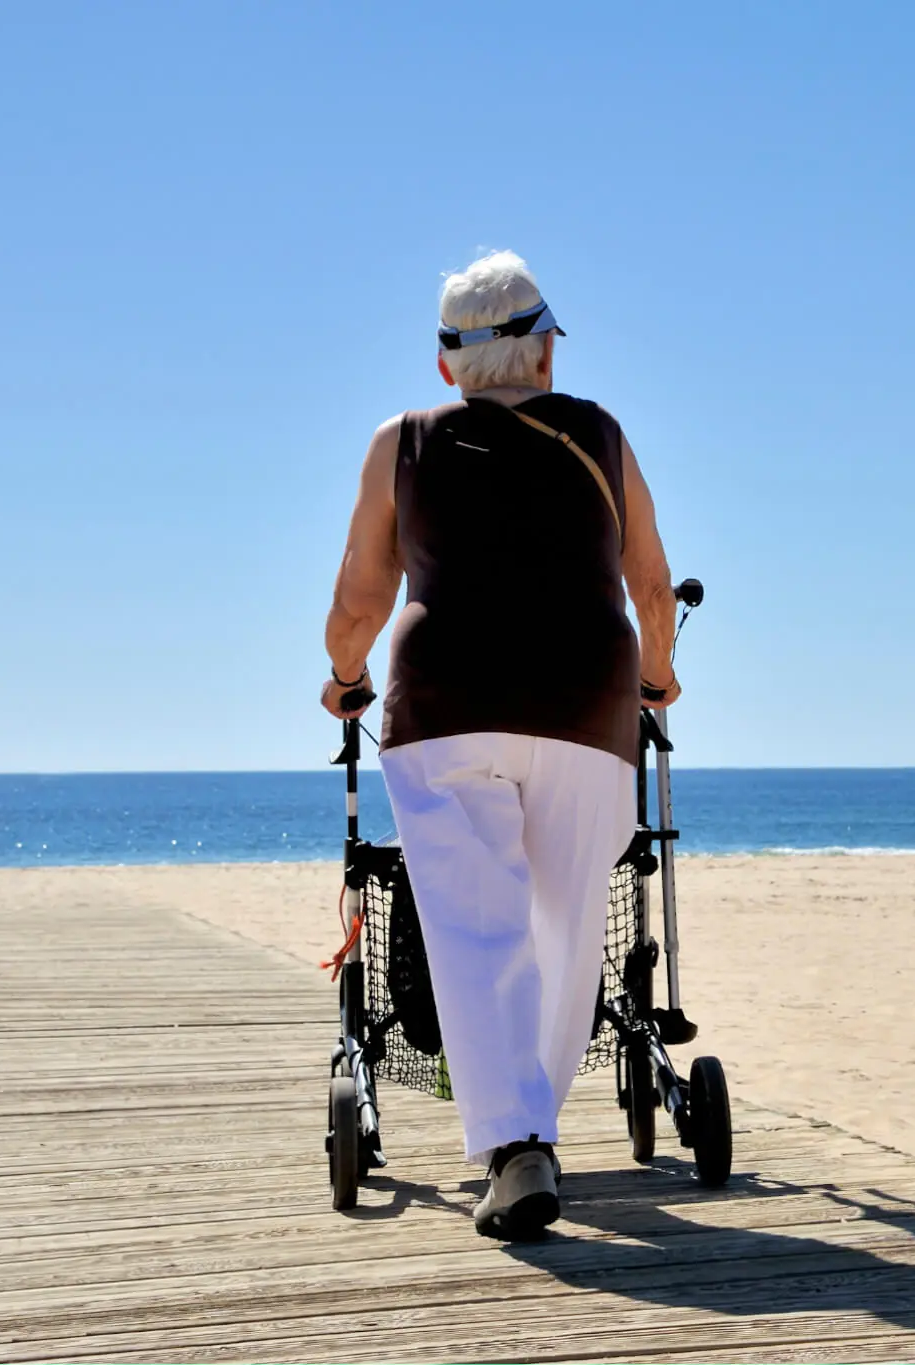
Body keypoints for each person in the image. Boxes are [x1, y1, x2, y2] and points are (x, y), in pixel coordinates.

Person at [321, 250, 681, 1240]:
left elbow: (359, 597)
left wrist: (343, 679)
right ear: (545, 354)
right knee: (569, 925)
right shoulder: (600, 436)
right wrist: (658, 676)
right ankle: (533, 1130)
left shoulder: (400, 444)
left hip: (444, 704)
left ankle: (517, 1145)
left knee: (476, 929)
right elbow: (652, 586)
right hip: (587, 705)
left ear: (447, 368)